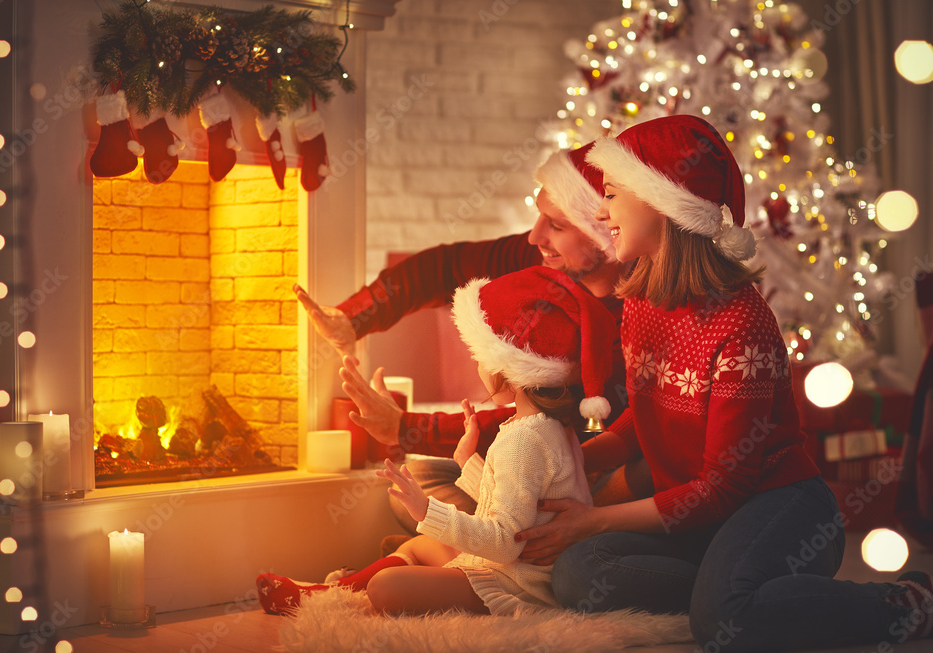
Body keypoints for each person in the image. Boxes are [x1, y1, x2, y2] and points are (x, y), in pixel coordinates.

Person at [513, 115, 933, 649]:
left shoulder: (741, 323)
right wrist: (566, 459)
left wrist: (593, 518)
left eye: (613, 195)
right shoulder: (641, 301)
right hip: (702, 520)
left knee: (722, 624)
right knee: (579, 572)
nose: (601, 212)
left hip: (780, 507)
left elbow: (724, 486)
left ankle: (901, 603)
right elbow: (643, 424)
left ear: (663, 202)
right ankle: (747, 589)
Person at [295, 143, 647, 534]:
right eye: (539, 217)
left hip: (585, 465)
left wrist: (406, 427)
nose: (534, 236)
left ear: (604, 233)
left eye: (557, 225)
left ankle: (491, 550)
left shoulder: (638, 314)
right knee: (418, 479)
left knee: (438, 500)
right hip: (531, 457)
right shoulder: (545, 256)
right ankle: (471, 548)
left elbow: (539, 423)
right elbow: (444, 267)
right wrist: (354, 316)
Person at [257, 266, 617, 615]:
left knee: (387, 587)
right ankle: (326, 594)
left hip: (518, 583)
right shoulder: (553, 427)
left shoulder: (523, 439)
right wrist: (467, 461)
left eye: (479, 357)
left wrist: (426, 510)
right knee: (423, 544)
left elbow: (507, 541)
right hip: (521, 569)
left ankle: (332, 592)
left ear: (506, 368)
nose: (476, 365)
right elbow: (523, 510)